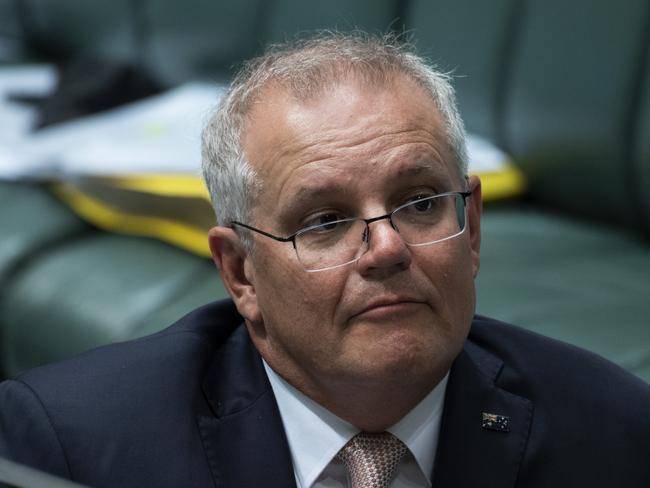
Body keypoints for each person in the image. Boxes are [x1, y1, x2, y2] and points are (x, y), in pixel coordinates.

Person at [1, 32, 649, 488]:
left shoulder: (615, 434)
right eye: (326, 222)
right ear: (241, 272)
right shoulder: (67, 445)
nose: (388, 247)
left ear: (471, 228)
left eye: (420, 203)